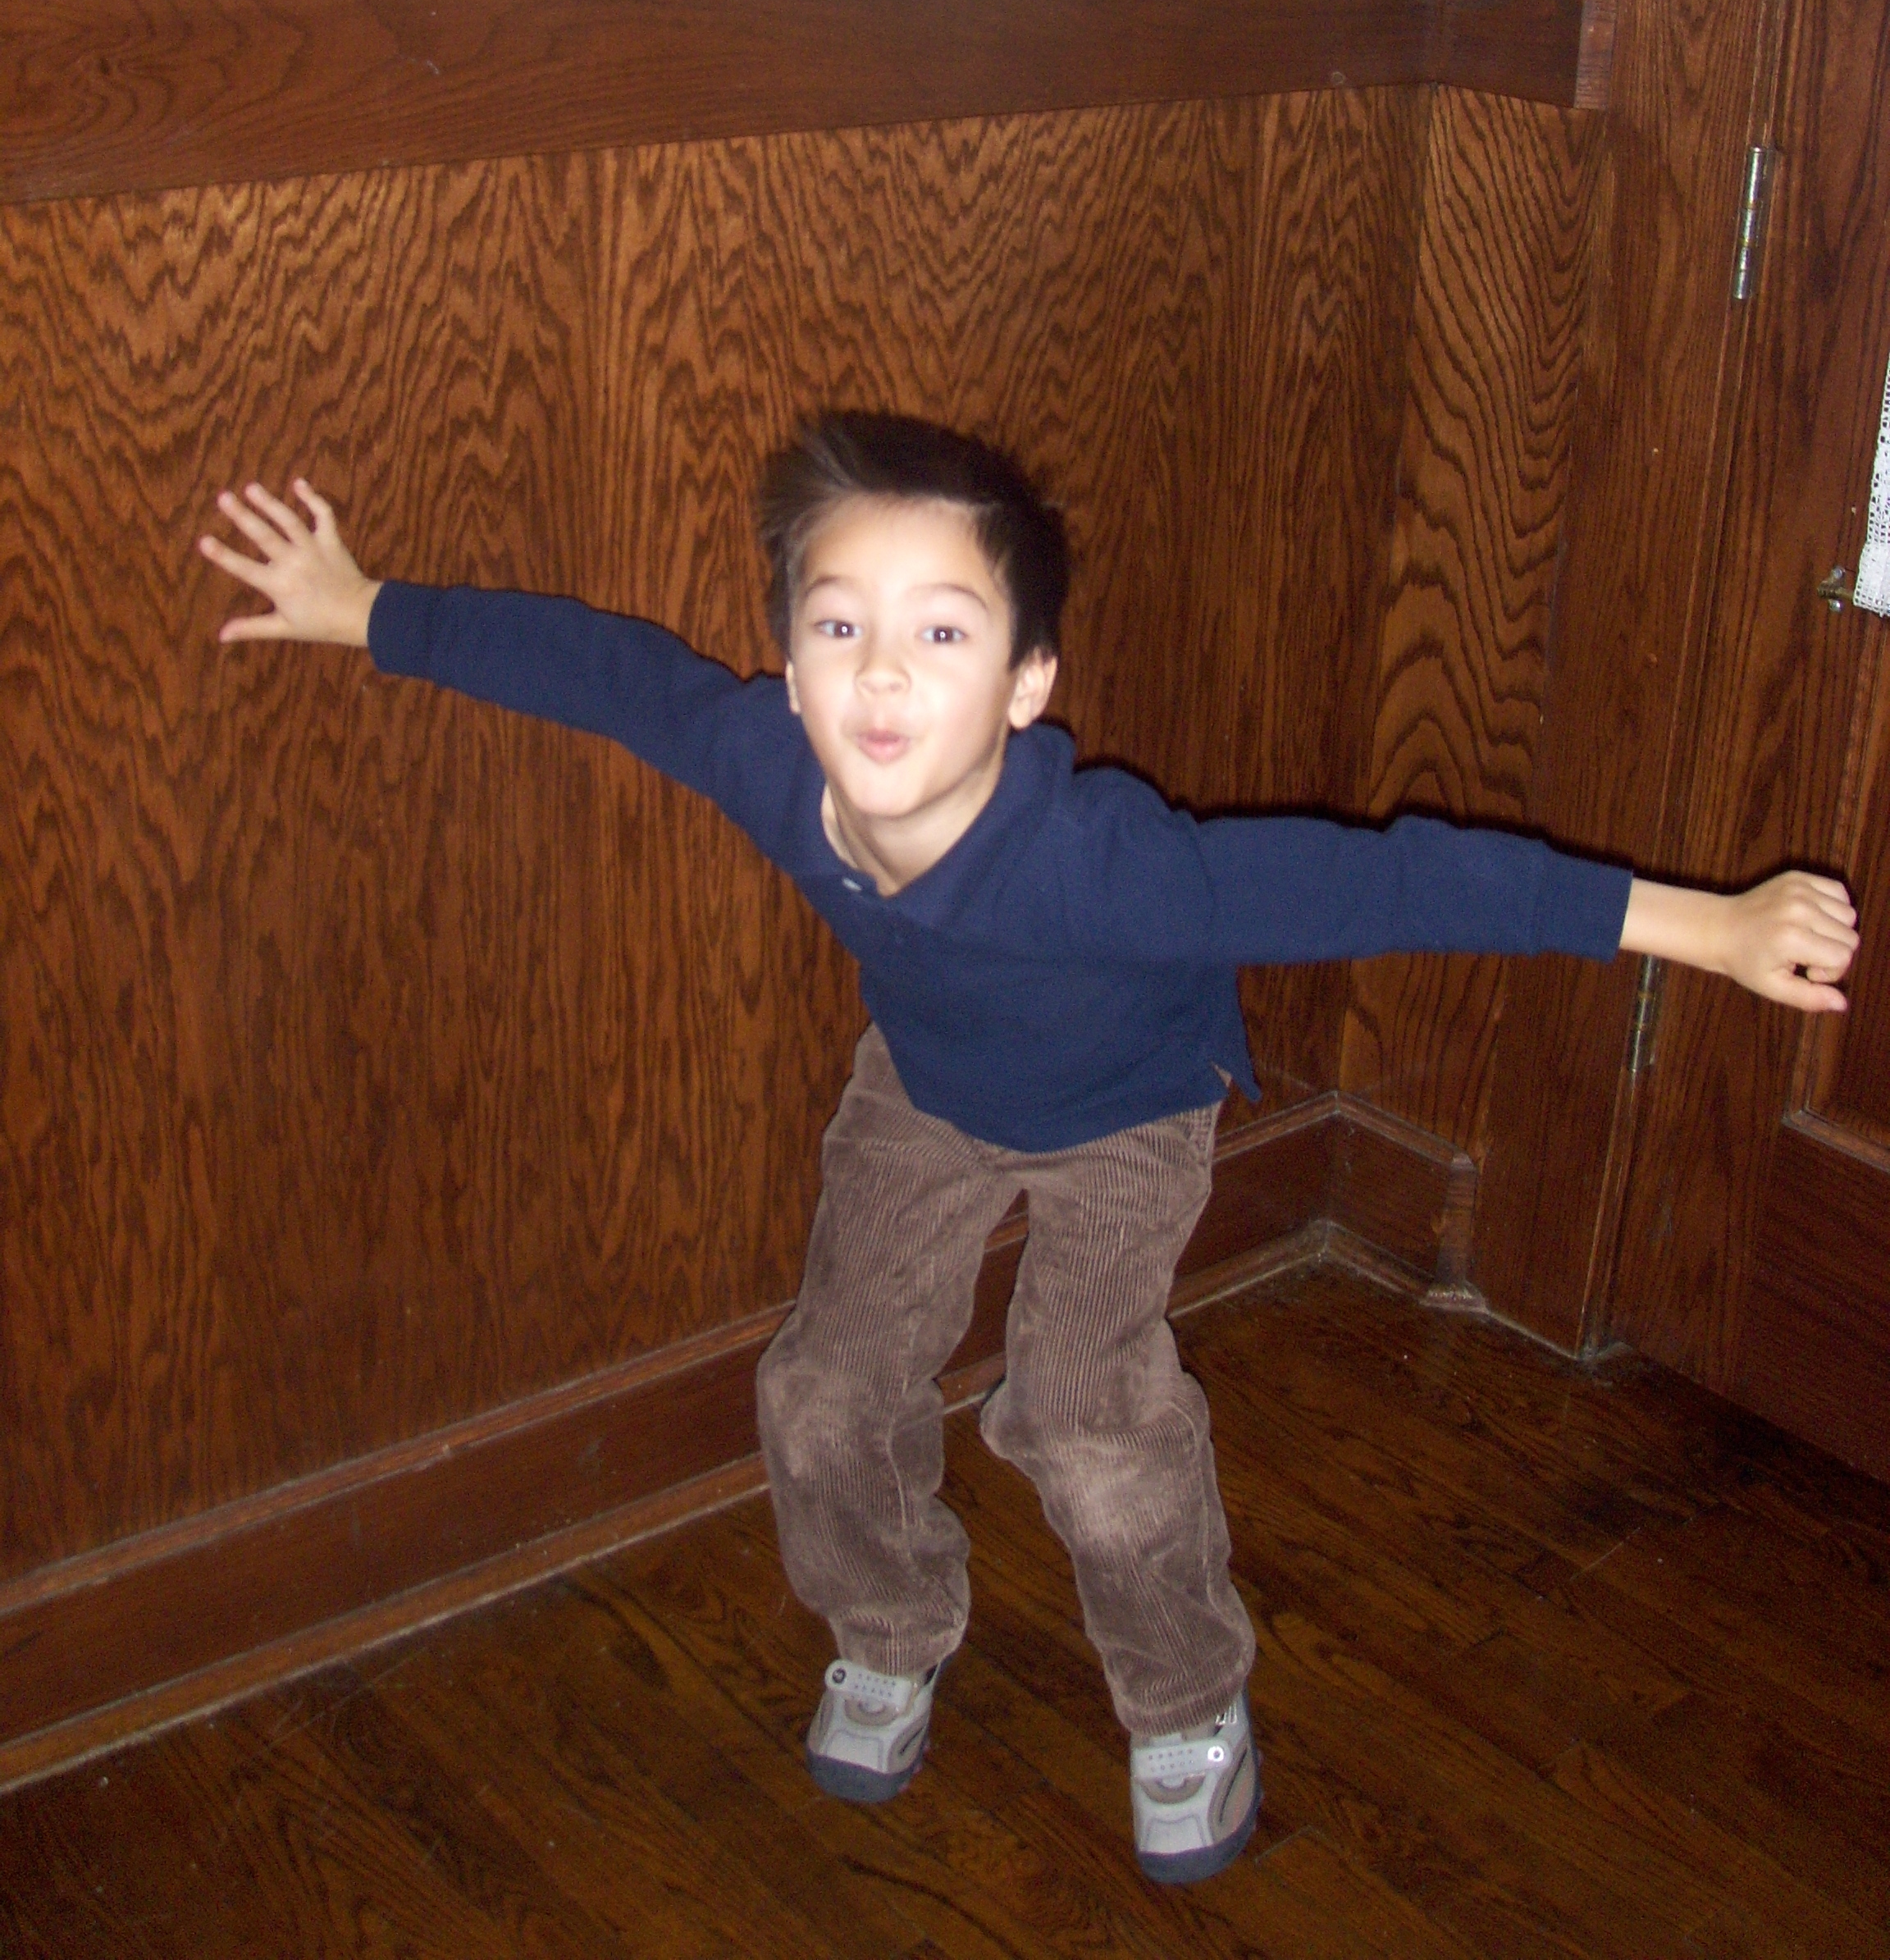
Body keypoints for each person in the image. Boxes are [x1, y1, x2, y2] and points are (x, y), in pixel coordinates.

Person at [198, 414, 1859, 1888]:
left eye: (942, 631)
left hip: (1125, 1111)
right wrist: (369, 610)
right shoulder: (773, 765)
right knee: (822, 1387)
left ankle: (1188, 1699)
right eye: (839, 626)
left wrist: (1703, 927)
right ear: (790, 664)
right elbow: (614, 673)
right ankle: (889, 1627)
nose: (882, 674)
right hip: (926, 1086)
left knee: (1084, 1414)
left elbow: (1398, 876)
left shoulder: (1110, 868)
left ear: (1026, 684)